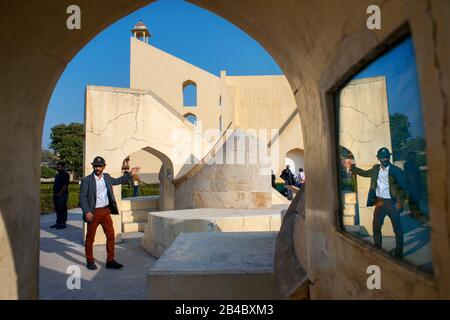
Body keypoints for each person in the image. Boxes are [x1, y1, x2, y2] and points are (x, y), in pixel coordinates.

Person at [345, 147, 407, 259]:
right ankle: (378, 249)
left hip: (391, 202)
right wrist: (352, 168)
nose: (385, 159)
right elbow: (364, 173)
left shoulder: (396, 171)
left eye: (387, 157)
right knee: (376, 226)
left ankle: (399, 253)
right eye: (382, 157)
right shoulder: (375, 169)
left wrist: (400, 202)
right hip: (379, 201)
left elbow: (403, 188)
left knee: (397, 229)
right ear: (378, 158)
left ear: (389, 157)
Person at [80, 156, 140, 270]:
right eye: (96, 166)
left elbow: (117, 181)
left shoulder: (106, 177)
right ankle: (90, 260)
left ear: (104, 167)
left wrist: (130, 174)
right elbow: (83, 198)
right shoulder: (87, 180)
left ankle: (110, 260)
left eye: (100, 166)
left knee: (111, 236)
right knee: (90, 238)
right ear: (93, 166)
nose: (98, 168)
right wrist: (87, 211)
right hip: (93, 212)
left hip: (105, 211)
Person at [404, 152, 423, 219]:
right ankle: (413, 213)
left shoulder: (414, 163)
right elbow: (409, 174)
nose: (415, 157)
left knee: (416, 198)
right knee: (413, 198)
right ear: (410, 156)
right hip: (412, 184)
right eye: (414, 156)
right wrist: (413, 183)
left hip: (416, 184)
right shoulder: (408, 164)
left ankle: (416, 211)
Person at [51, 162, 70, 230]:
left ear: (63, 167)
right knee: (57, 209)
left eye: (59, 167)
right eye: (57, 167)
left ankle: (63, 223)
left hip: (62, 195)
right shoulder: (57, 175)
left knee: (62, 209)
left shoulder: (65, 174)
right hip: (56, 194)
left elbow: (65, 185)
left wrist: (60, 193)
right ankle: (58, 222)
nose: (57, 168)